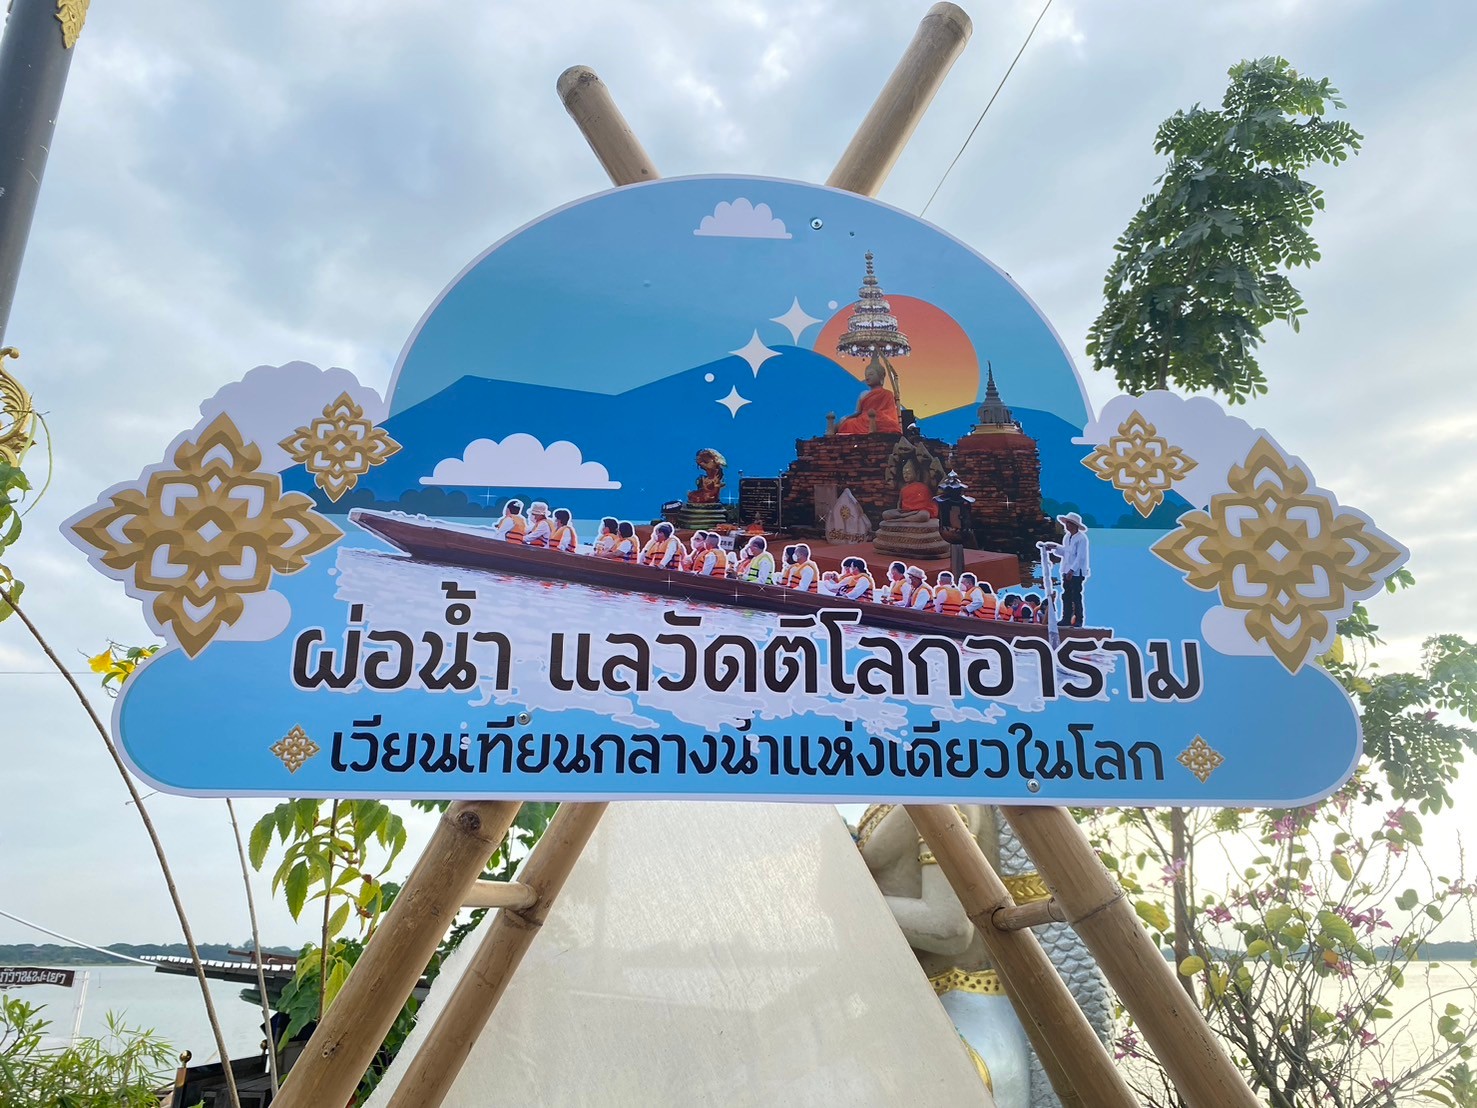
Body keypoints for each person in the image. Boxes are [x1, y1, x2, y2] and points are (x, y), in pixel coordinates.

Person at [1043, 512, 1090, 627]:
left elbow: (1080, 557)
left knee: (1076, 596)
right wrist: (1054, 548)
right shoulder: (1067, 537)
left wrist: (1072, 570)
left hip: (1077, 572)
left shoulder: (1081, 539)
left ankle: (1079, 620)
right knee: (1066, 595)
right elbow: (1065, 552)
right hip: (1066, 570)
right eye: (1067, 523)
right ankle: (1066, 618)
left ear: (1075, 525)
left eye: (1069, 523)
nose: (1067, 525)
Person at [836, 359, 903, 435]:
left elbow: (890, 413)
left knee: (889, 423)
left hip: (882, 421)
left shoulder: (888, 394)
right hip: (864, 420)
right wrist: (847, 418)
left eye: (871, 374)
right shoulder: (864, 394)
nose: (867, 378)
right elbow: (858, 412)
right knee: (848, 423)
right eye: (866, 375)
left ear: (880, 377)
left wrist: (879, 415)